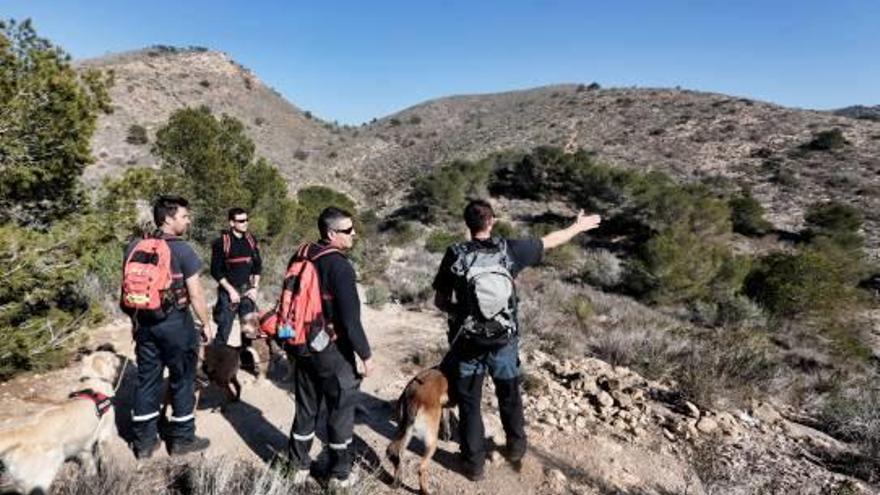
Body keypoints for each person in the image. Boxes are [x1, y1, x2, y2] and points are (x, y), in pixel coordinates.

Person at [432, 199, 601, 481]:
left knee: (470, 402)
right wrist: (578, 226)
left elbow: (440, 301)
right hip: (503, 342)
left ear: (467, 224)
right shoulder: (509, 250)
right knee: (509, 394)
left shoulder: (455, 253)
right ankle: (516, 447)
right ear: (492, 221)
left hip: (468, 343)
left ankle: (473, 466)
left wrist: (462, 314)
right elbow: (551, 241)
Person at [286, 207, 373, 488]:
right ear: (332, 233)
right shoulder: (340, 266)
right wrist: (365, 355)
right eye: (348, 230)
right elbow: (350, 320)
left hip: (300, 344)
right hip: (331, 350)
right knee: (340, 410)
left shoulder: (302, 253)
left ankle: (297, 467)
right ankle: (340, 474)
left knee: (306, 408)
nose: (354, 234)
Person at [126, 195, 215, 459]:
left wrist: (135, 322)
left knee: (147, 380)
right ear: (168, 219)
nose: (188, 221)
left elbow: (128, 289)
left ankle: (144, 443)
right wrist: (206, 324)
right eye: (184, 216)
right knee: (183, 380)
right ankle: (182, 440)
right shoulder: (184, 250)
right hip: (176, 323)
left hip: (144, 323)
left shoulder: (134, 245)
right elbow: (196, 294)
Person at [210, 207, 262, 347]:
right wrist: (230, 291)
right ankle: (215, 364)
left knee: (250, 332)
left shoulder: (251, 240)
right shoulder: (221, 242)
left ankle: (247, 362)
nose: (245, 223)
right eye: (241, 221)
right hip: (228, 295)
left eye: (246, 220)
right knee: (223, 331)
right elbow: (215, 270)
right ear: (232, 223)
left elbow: (257, 266)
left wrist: (255, 288)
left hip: (247, 292)